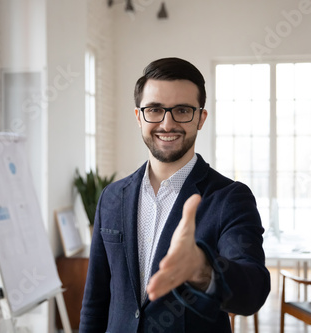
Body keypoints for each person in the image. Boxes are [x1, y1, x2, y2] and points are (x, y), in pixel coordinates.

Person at [80, 57, 270, 333]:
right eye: (155, 109)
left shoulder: (230, 198)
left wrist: (202, 269)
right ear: (138, 116)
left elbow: (253, 291)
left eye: (182, 110)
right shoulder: (112, 196)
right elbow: (95, 300)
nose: (167, 123)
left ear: (201, 118)